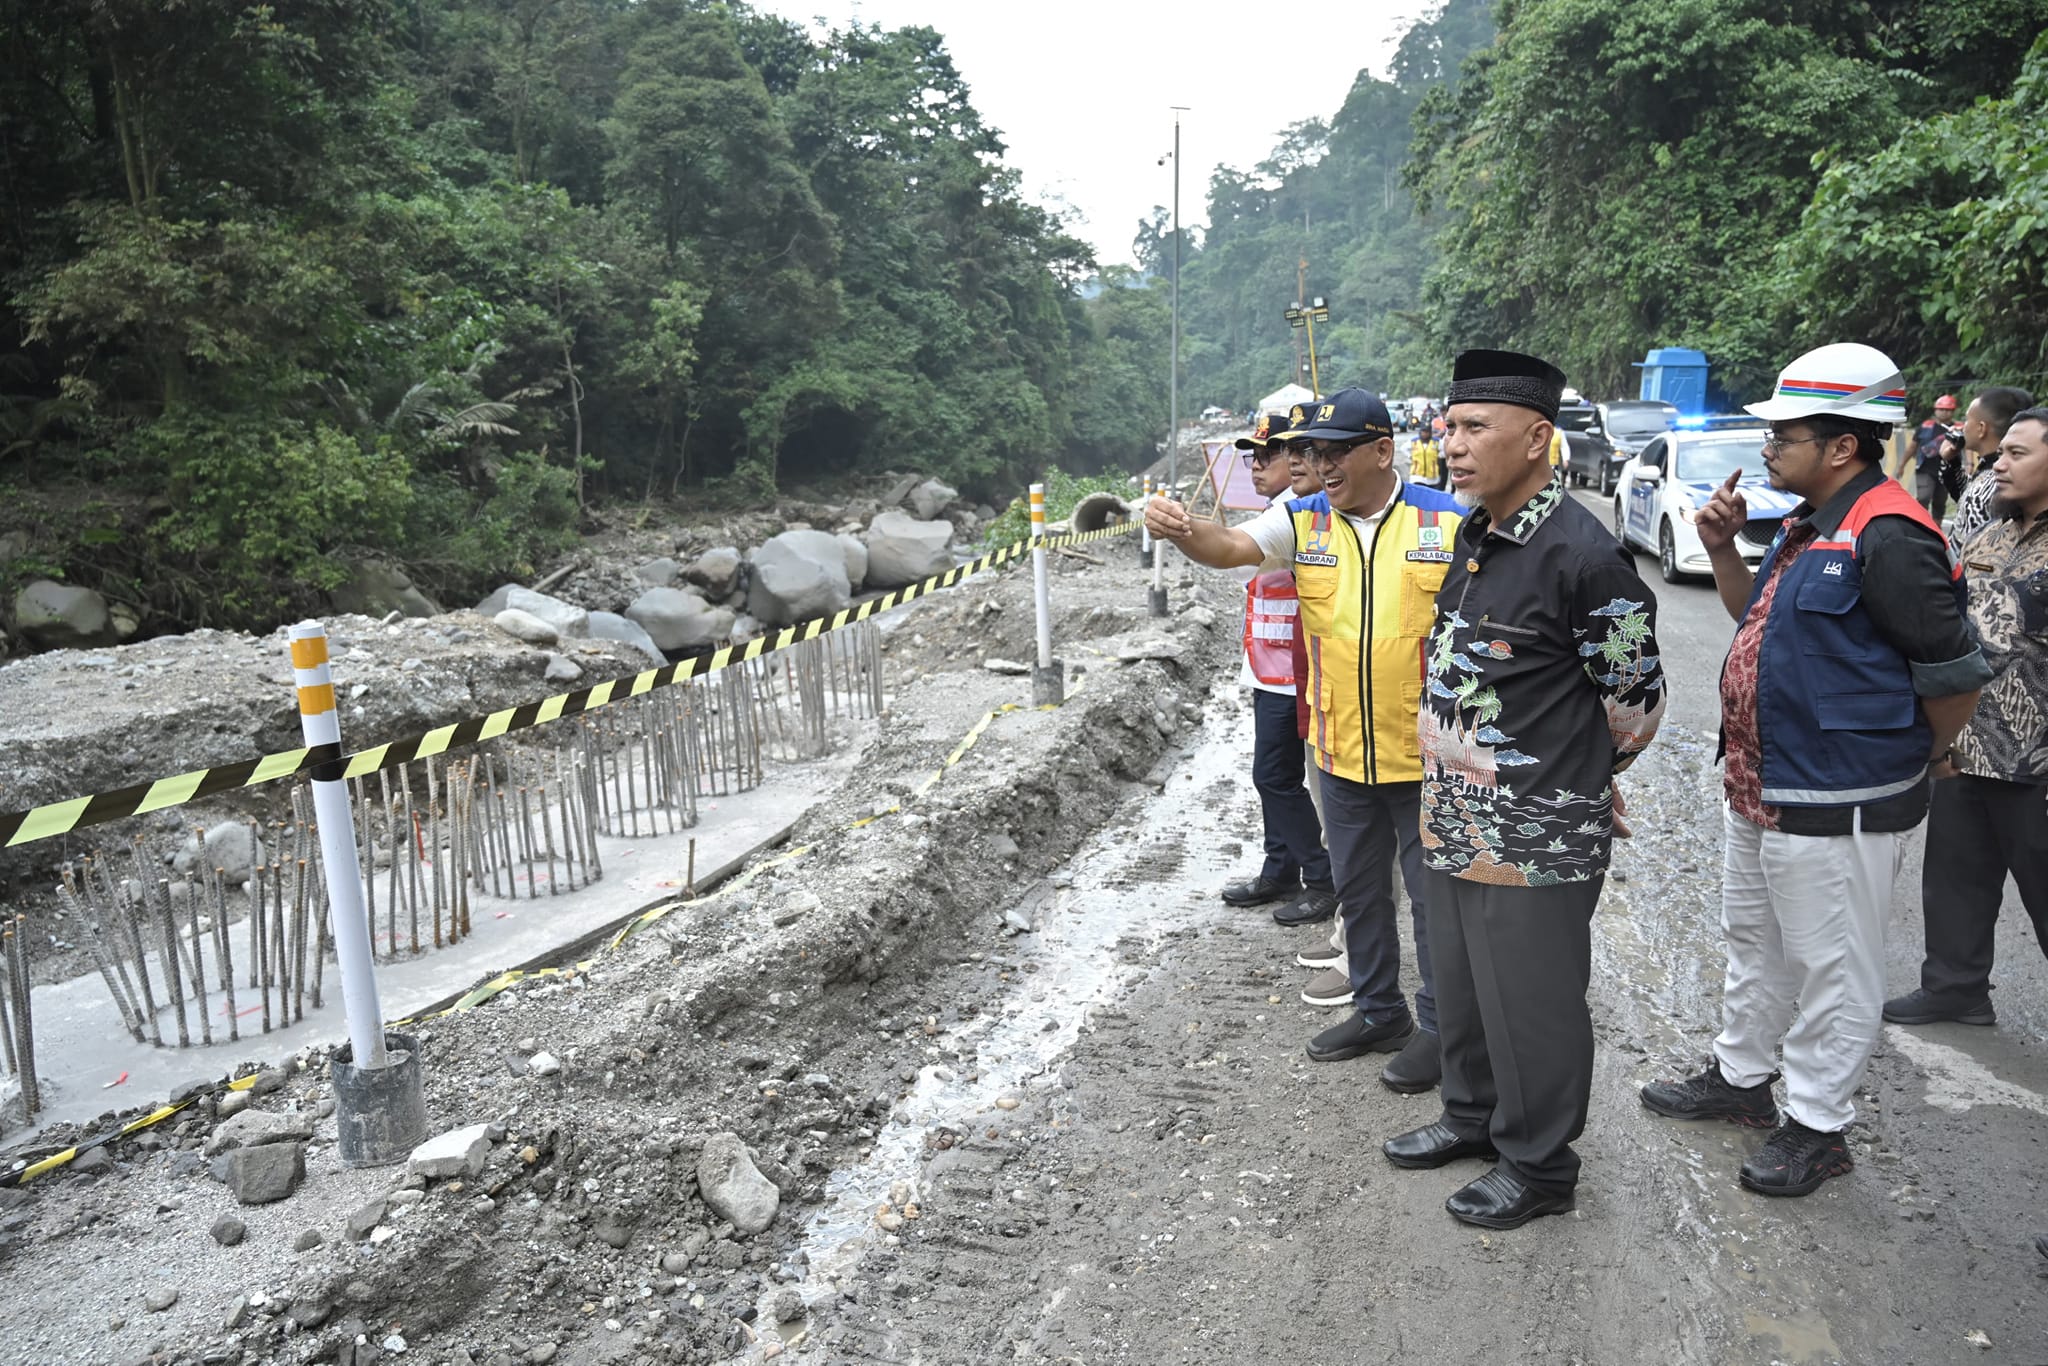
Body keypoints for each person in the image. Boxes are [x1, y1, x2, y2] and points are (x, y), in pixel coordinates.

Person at [1641, 342, 1991, 1199]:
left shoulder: (1890, 533)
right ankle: (1742, 1079)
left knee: (1835, 966)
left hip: (1840, 795)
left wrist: (1929, 754)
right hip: (1763, 787)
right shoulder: (1808, 523)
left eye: (1782, 435)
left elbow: (1954, 674)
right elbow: (1752, 623)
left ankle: (1819, 1126)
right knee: (1754, 944)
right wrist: (1723, 550)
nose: (1766, 449)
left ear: (1842, 445)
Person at [1379, 349, 1666, 1231]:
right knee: (1460, 983)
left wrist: (1579, 776)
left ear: (1538, 439)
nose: (1450, 445)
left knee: (1531, 998)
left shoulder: (1584, 557)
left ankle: (1539, 1163)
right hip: (1457, 813)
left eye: (1473, 429)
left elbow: (1636, 701)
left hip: (1537, 827)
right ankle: (1471, 1117)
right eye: (1449, 427)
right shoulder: (1478, 535)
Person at [1147, 388, 1464, 1091]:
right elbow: (1231, 546)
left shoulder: (1449, 523)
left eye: (1332, 451)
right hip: (1340, 751)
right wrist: (1184, 529)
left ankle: (1443, 1032)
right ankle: (1380, 1011)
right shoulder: (1303, 522)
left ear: (1383, 450)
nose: (1319, 465)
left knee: (1434, 903)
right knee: (1358, 892)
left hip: (1429, 758)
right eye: (1310, 452)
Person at [1886, 405, 2048, 1027]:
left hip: (2036, 757)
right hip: (1967, 740)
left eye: (2017, 454)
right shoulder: (1991, 532)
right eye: (1999, 452)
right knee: (1955, 875)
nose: (1998, 465)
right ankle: (1955, 987)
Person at [1218, 412, 1337, 928]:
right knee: (1277, 776)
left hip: (1294, 672)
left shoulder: (1299, 516)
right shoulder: (1279, 510)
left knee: (1275, 776)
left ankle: (1322, 876)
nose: (1262, 464)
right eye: (1257, 455)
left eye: (1273, 453)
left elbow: (1235, 557)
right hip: (1267, 668)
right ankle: (1280, 866)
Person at [1934, 386, 2035, 548]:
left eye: (1967, 420)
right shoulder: (2000, 472)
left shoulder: (1998, 477)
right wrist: (1951, 461)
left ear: (1981, 428)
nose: (1963, 427)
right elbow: (1967, 497)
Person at [1915, 393, 1959, 518]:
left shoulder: (1958, 429)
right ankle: (1920, 523)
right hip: (1925, 468)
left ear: (1953, 411)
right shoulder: (1925, 427)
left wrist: (1969, 464)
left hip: (1946, 470)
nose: (1944, 412)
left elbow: (1966, 447)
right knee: (1923, 497)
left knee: (1940, 501)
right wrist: (1902, 464)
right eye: (1942, 409)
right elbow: (1913, 445)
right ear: (1936, 410)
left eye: (1948, 410)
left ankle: (1936, 529)